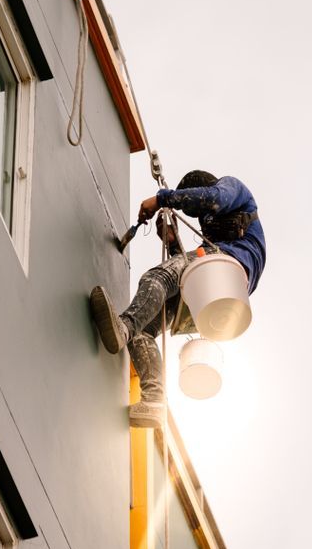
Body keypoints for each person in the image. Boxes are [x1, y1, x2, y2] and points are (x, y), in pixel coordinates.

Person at [90, 170, 266, 428]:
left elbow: (213, 199)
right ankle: (154, 400)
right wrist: (172, 242)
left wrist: (163, 199)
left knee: (158, 277)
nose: (202, 221)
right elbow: (184, 270)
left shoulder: (231, 188)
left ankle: (124, 326)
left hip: (225, 268)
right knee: (144, 330)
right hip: (214, 286)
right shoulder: (217, 232)